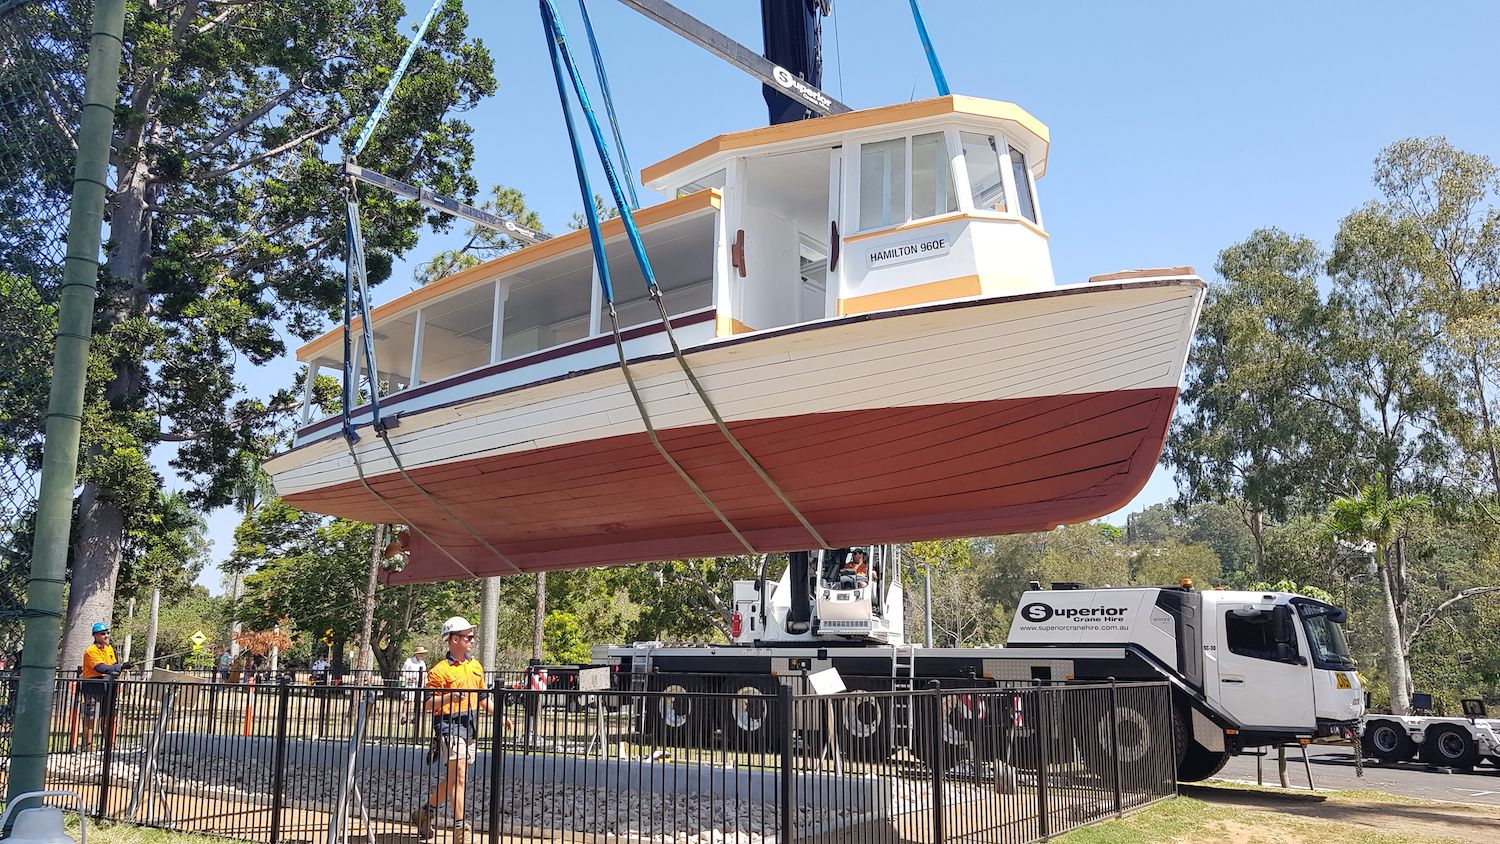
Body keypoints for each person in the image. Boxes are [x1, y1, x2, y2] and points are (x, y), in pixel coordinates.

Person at [412, 617, 493, 844]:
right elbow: (427, 704)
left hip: (470, 726)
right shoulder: (439, 670)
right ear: (454, 639)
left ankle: (425, 812)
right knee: (458, 775)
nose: (472, 640)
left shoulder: (475, 666)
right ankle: (460, 829)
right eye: (468, 637)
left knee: (456, 777)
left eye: (472, 637)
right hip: (449, 725)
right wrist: (450, 697)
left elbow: (483, 699)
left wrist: (500, 715)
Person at [79, 622, 129, 751]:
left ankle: (108, 744)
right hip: (93, 683)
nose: (106, 635)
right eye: (103, 633)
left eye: (107, 633)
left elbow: (112, 666)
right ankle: (88, 744)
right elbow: (100, 667)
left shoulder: (109, 648)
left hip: (108, 684)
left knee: (108, 715)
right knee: (91, 715)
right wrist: (120, 667)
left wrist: (120, 667)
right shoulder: (91, 651)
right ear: (95, 636)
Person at [399, 646, 429, 725]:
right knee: (407, 700)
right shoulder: (409, 661)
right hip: (410, 683)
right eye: (421, 653)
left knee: (418, 701)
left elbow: (425, 673)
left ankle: (416, 717)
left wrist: (424, 680)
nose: (422, 655)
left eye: (423, 654)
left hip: (419, 684)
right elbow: (403, 671)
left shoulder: (422, 663)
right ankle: (404, 716)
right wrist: (409, 677)